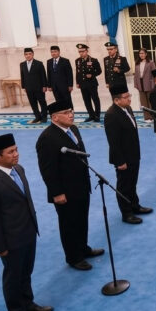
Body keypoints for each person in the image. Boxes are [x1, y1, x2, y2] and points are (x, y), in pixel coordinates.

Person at [0, 133, 53, 311]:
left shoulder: (19, 169)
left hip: (28, 233)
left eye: (16, 149)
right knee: (13, 278)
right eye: (11, 152)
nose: (16, 154)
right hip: (10, 242)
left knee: (26, 273)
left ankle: (29, 304)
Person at [36, 101, 104, 270]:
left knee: (82, 220)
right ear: (55, 117)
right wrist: (57, 193)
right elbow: (48, 170)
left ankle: (83, 248)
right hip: (65, 192)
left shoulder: (73, 129)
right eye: (66, 112)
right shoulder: (47, 138)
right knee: (69, 224)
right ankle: (73, 257)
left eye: (71, 111)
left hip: (81, 185)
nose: (71, 114)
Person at [104, 85, 152, 224]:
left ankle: (135, 205)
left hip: (133, 154)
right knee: (124, 186)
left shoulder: (127, 108)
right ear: (117, 100)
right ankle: (126, 213)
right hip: (123, 158)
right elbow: (113, 141)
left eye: (129, 95)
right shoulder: (111, 115)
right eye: (126, 97)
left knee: (133, 182)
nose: (130, 99)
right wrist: (120, 161)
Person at [19, 47, 48, 124]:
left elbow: (43, 75)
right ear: (24, 55)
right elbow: (22, 76)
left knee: (42, 102)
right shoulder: (22, 64)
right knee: (33, 104)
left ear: (33, 54)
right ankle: (37, 117)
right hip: (29, 88)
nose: (28, 55)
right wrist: (24, 86)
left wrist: (44, 86)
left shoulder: (39, 63)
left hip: (39, 88)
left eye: (29, 54)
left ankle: (44, 117)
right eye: (26, 54)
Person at [74, 43, 102, 123]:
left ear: (87, 51)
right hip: (83, 84)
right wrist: (77, 82)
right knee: (86, 100)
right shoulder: (78, 61)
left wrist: (92, 75)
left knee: (95, 99)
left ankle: (97, 115)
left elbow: (99, 71)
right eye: (79, 52)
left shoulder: (93, 60)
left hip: (92, 84)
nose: (81, 53)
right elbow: (77, 72)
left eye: (82, 51)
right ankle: (91, 115)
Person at [133, 47, 156, 121]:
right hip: (140, 84)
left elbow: (154, 74)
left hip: (149, 84)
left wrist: (153, 84)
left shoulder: (151, 62)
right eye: (140, 53)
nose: (141, 55)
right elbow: (136, 75)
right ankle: (147, 117)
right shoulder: (137, 62)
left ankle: (152, 117)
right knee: (143, 102)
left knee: (150, 101)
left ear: (146, 54)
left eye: (142, 53)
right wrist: (136, 84)